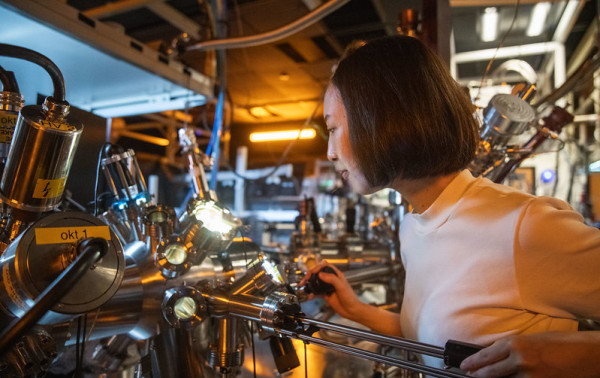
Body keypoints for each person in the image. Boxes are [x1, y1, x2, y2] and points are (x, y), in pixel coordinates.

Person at [300, 34, 600, 377]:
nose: (330, 153)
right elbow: (439, 344)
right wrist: (357, 310)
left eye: (333, 128)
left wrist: (576, 355)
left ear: (380, 120)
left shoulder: (523, 226)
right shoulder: (414, 226)